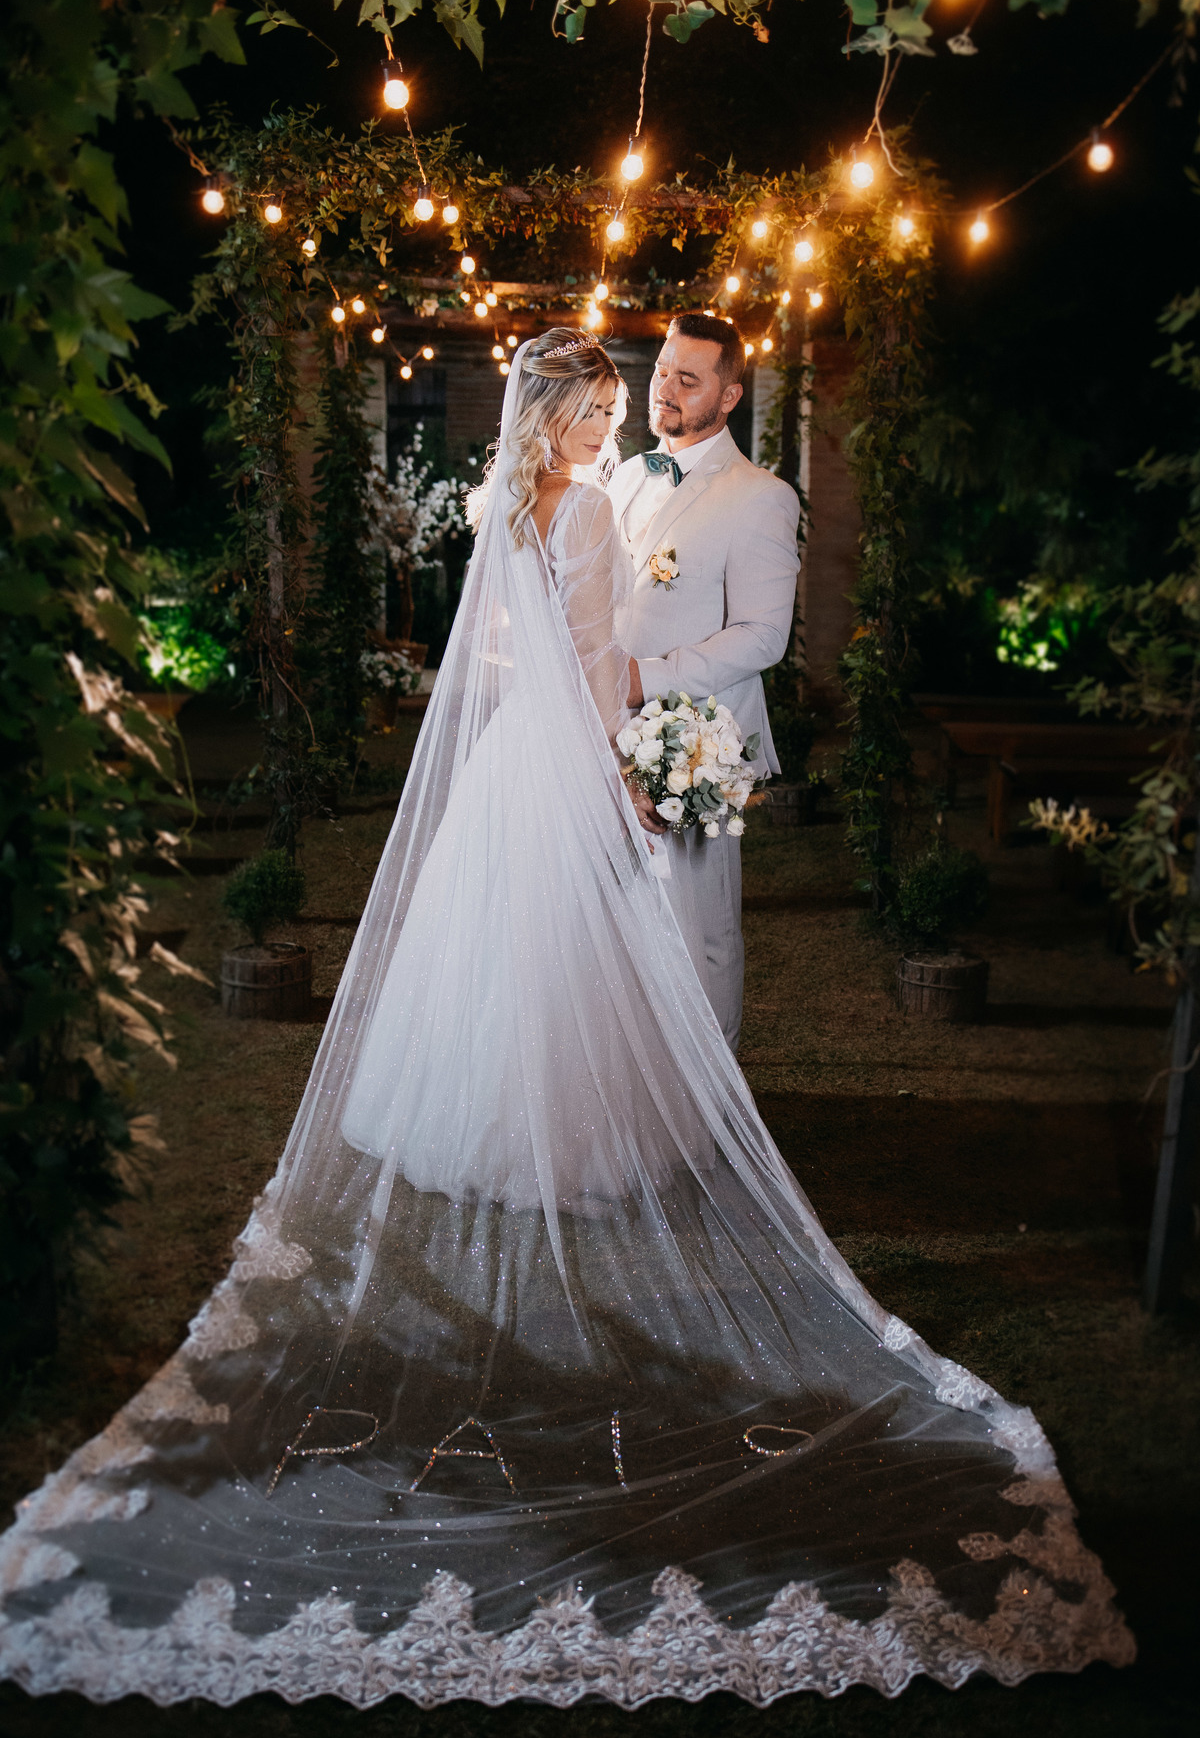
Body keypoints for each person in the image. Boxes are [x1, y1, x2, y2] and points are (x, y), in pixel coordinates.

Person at [0, 331, 1132, 1712]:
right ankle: (573, 1139)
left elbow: (503, 655)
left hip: (502, 763)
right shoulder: (591, 506)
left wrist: (575, 739)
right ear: (554, 413)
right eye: (594, 406)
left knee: (501, 955)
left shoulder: (509, 505)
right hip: (573, 754)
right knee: (577, 956)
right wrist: (619, 776)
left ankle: (482, 1127)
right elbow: (601, 660)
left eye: (616, 403)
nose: (611, 422)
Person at [610, 313, 800, 1049]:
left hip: (694, 739)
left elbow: (763, 635)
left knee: (700, 928)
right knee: (616, 919)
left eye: (688, 380)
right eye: (662, 371)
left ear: (728, 396)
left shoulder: (760, 496)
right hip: (607, 732)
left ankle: (709, 1092)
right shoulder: (627, 476)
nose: (665, 389)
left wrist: (645, 680)